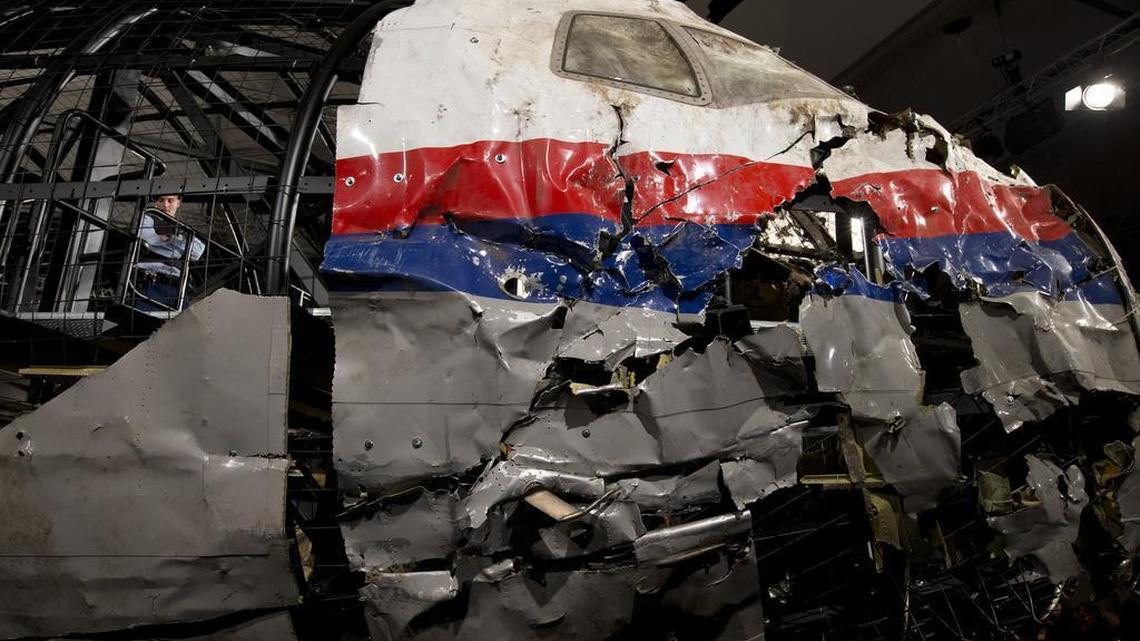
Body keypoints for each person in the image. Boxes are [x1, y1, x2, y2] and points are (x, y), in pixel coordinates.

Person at [134, 193, 204, 311]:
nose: (165, 205)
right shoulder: (147, 219)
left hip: (176, 288)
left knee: (185, 326)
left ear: (178, 203)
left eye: (170, 200)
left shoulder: (183, 228)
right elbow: (147, 237)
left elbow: (197, 251)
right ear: (156, 202)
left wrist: (168, 238)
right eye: (161, 200)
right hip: (150, 282)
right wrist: (179, 244)